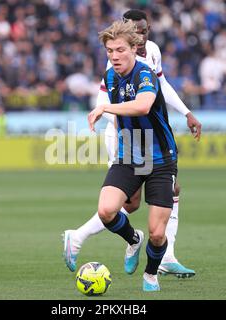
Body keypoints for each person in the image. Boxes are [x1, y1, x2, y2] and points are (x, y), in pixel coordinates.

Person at [63, 9, 201, 277]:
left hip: (150, 139)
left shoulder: (151, 52)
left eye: (144, 31)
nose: (141, 36)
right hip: (125, 137)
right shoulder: (116, 60)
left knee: (167, 190)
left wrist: (186, 112)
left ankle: (166, 255)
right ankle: (79, 236)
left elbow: (162, 85)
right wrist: (103, 111)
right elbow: (108, 101)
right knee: (127, 203)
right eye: (136, 31)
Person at [86, 19, 182, 291]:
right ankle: (132, 240)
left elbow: (143, 106)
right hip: (129, 156)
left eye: (119, 50)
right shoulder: (110, 77)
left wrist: (105, 109)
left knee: (158, 233)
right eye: (109, 51)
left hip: (160, 159)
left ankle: (151, 275)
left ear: (134, 48)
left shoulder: (145, 74)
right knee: (106, 210)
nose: (114, 56)